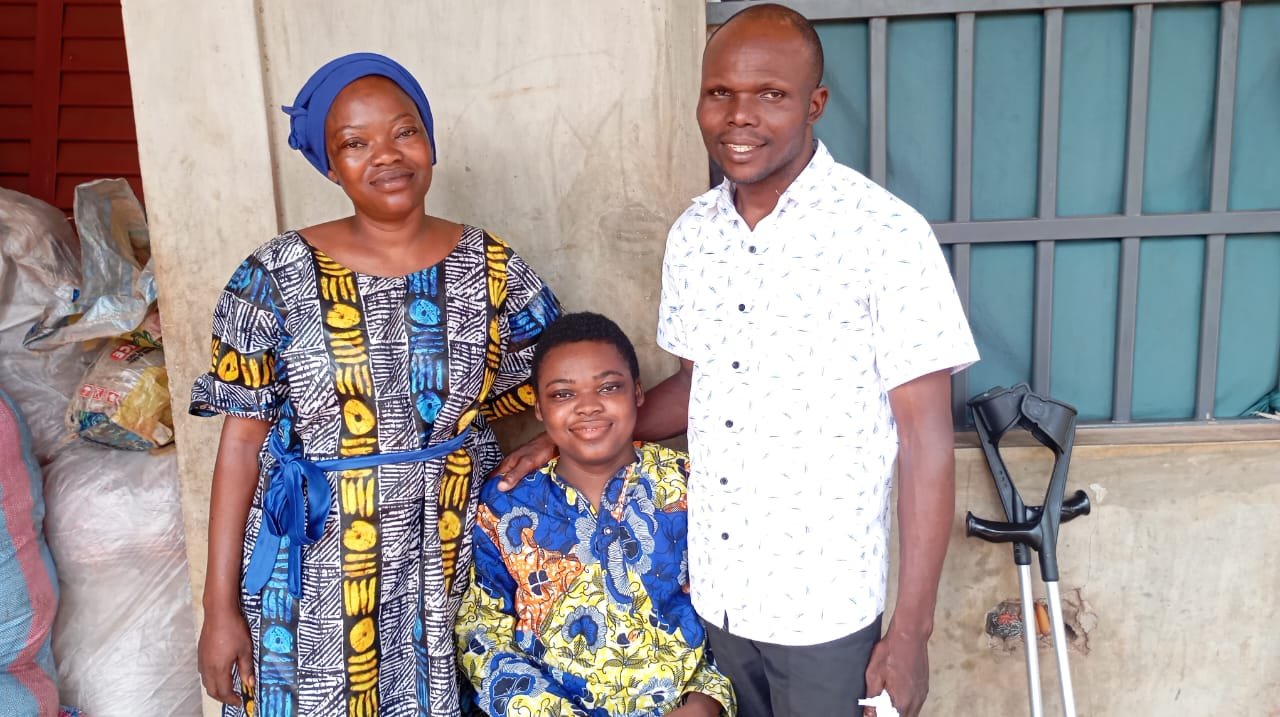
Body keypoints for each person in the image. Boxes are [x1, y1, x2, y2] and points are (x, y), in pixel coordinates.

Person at [495, 6, 978, 717]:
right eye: (719, 93)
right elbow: (697, 388)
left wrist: (911, 631)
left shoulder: (884, 235)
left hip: (822, 610)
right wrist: (568, 436)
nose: (739, 116)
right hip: (714, 600)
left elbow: (927, 442)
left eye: (771, 94)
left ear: (814, 104)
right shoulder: (695, 235)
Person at [190, 52, 561, 717]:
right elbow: (241, 445)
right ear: (330, 166)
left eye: (404, 131)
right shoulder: (273, 276)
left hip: (449, 554)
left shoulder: (492, 266)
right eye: (355, 143)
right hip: (314, 563)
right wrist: (219, 609)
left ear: (430, 141)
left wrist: (546, 445)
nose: (386, 155)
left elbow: (568, 380)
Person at [457, 312, 735, 717]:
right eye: (562, 394)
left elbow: (735, 608)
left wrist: (708, 699)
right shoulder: (506, 506)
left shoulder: (689, 486)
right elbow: (479, 630)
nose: (588, 406)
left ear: (637, 392)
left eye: (608, 387)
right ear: (538, 408)